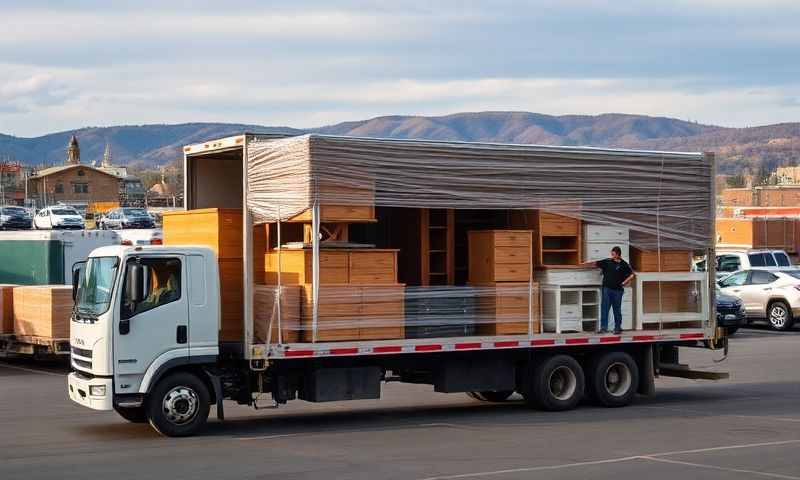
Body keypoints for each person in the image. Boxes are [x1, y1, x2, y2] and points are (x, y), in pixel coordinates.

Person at [580, 246, 634, 334]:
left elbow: (632, 275)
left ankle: (617, 328)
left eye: (613, 254)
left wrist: (624, 282)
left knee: (617, 309)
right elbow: (595, 263)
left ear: (618, 254)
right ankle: (603, 328)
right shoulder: (607, 262)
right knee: (604, 308)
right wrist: (585, 264)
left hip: (618, 290)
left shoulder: (624, 264)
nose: (612, 256)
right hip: (607, 289)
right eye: (611, 254)